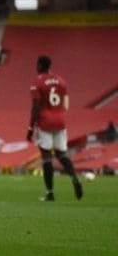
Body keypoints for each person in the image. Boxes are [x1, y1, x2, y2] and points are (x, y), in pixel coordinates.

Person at [27, 55, 83, 202]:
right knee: (62, 155)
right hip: (60, 120)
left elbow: (36, 106)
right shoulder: (61, 81)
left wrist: (30, 127)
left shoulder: (37, 82)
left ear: (39, 65)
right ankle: (75, 178)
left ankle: (50, 193)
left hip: (45, 122)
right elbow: (65, 104)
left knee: (46, 157)